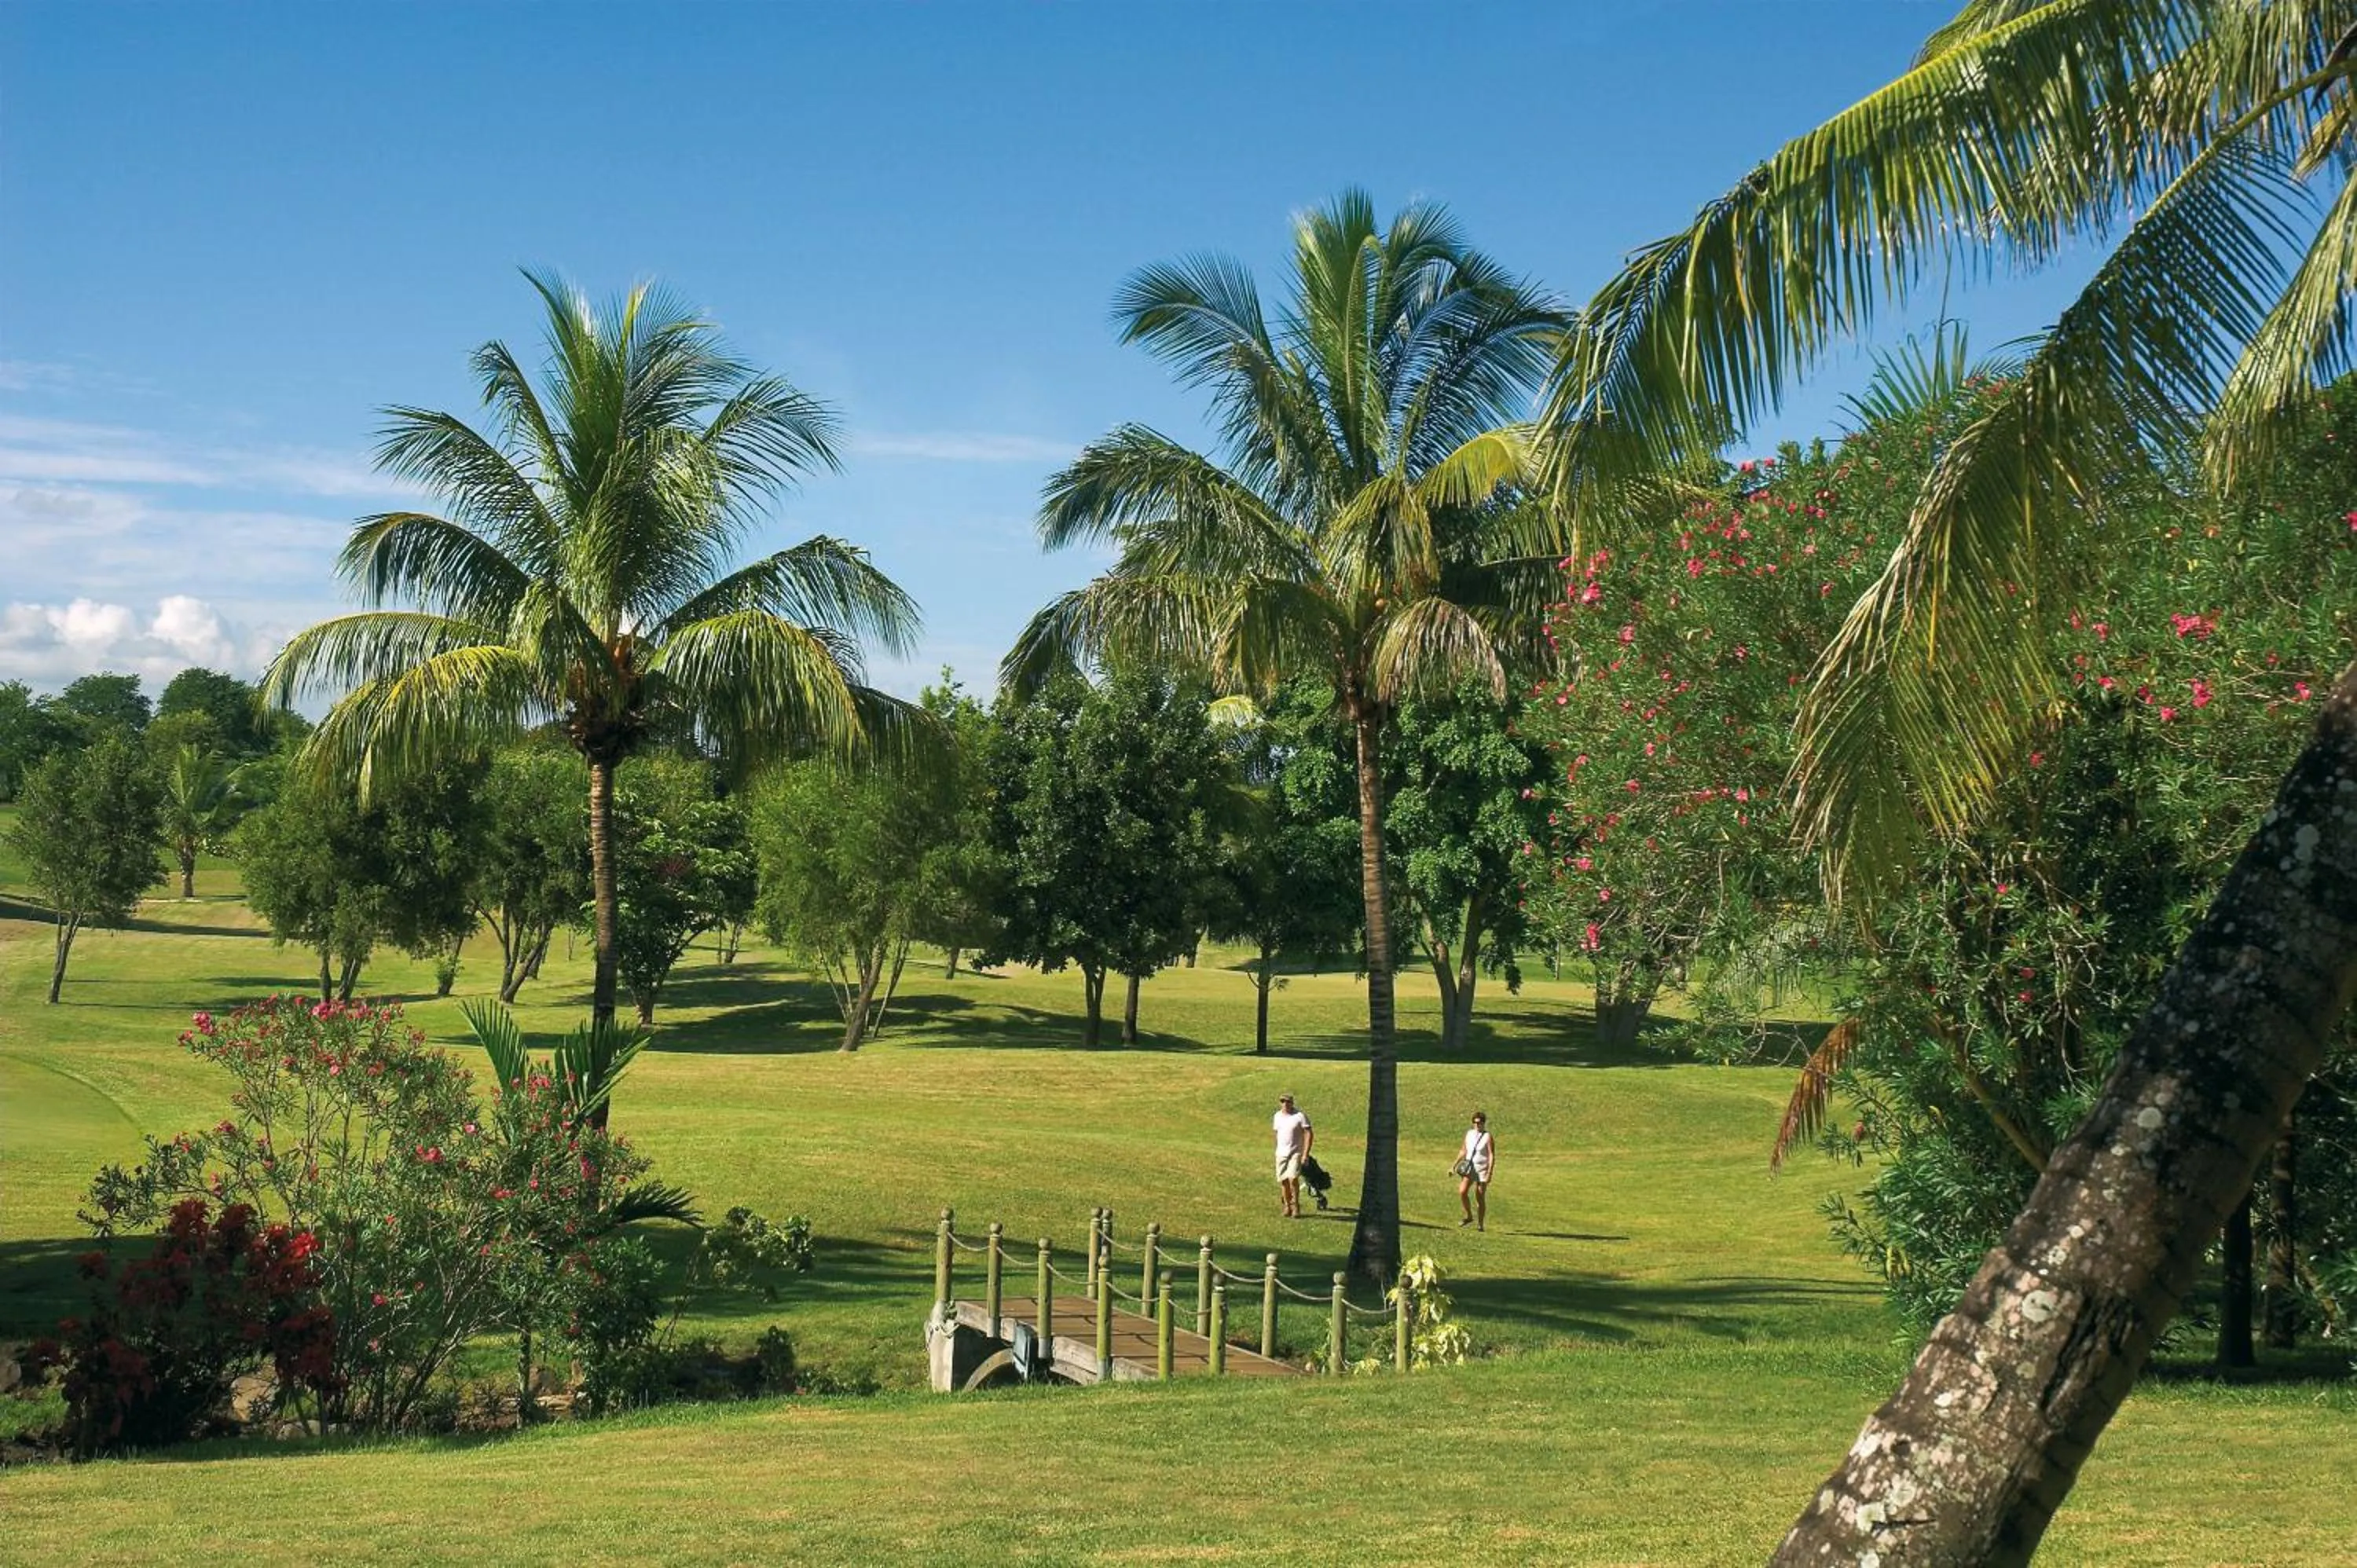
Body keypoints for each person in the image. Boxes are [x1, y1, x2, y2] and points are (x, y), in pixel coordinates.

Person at [1272, 1093, 1314, 1218]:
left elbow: (1308, 1133)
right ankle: (1287, 1205)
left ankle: (1296, 1205)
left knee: (1293, 1179)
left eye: (1288, 1102)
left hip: (1295, 1152)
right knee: (1283, 1180)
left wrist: (1305, 1153)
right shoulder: (1277, 1116)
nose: (1285, 1104)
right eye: (1283, 1101)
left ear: (1292, 1103)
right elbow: (1277, 1134)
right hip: (1281, 1153)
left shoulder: (1300, 1116)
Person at [1455, 1110, 1494, 1230]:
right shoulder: (1469, 1134)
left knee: (1480, 1196)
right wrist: (1454, 1165)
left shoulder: (1487, 1137)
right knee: (1462, 1191)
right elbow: (1463, 1150)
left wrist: (1489, 1173)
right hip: (1470, 1168)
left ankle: (1480, 1224)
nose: (1477, 1125)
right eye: (1475, 1122)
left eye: (1480, 1122)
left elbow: (1491, 1155)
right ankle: (1469, 1216)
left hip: (1482, 1169)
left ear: (1484, 1123)